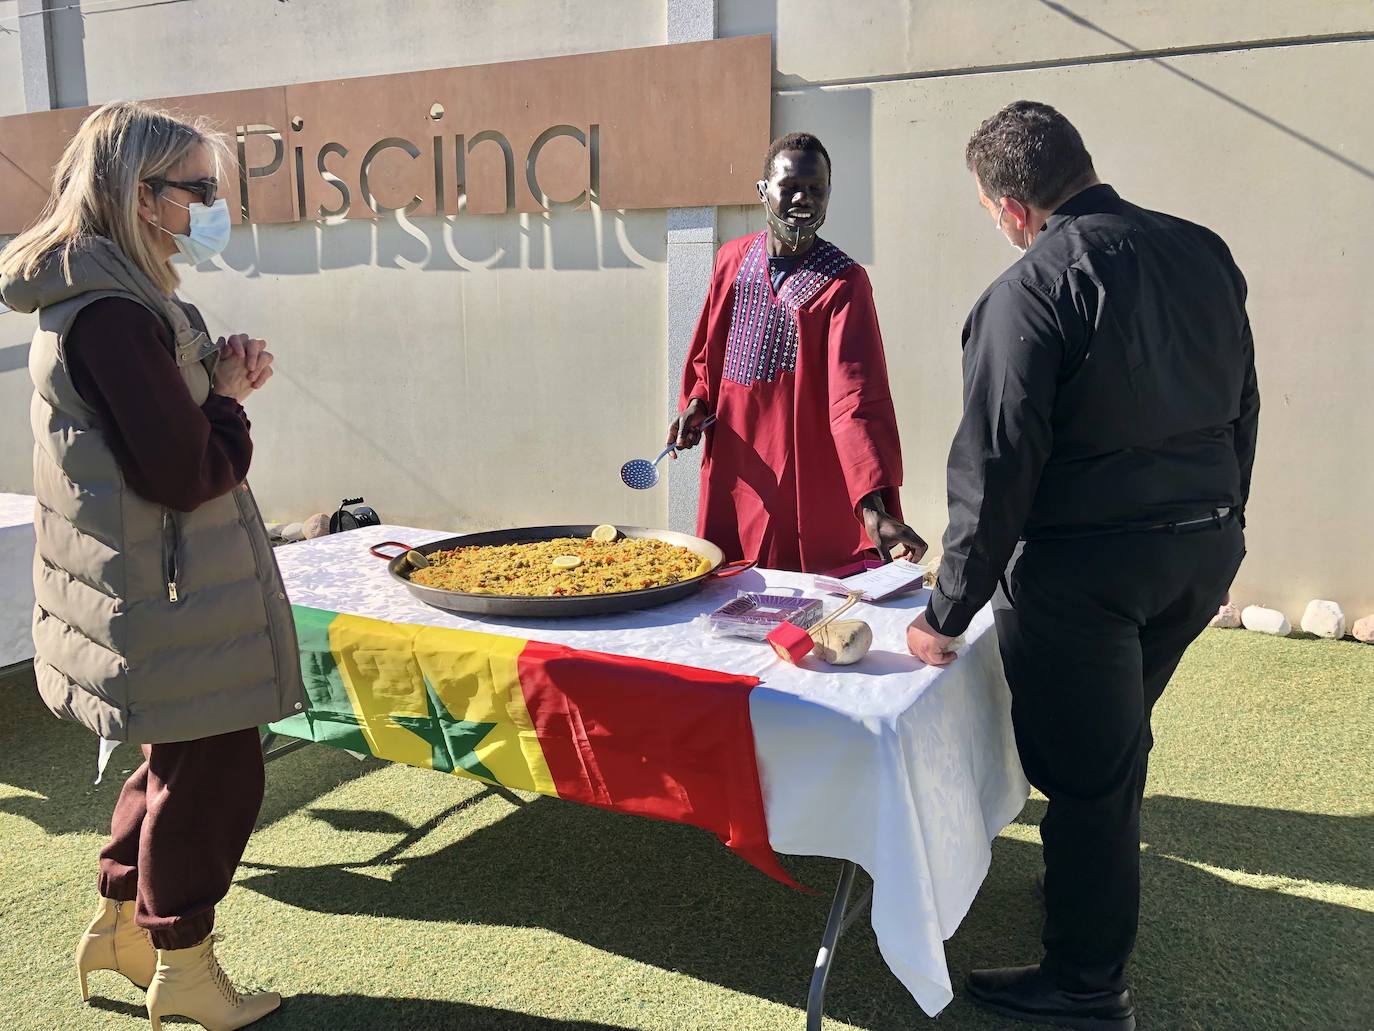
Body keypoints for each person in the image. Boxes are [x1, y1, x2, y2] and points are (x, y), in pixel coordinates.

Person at [906, 102, 1258, 1031]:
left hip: (1088, 575)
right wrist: (1227, 523)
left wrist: (944, 615)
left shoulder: (1027, 291)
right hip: (1202, 550)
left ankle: (1086, 985)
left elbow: (995, 469)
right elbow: (1243, 407)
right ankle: (1083, 901)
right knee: (1116, 742)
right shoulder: (1202, 252)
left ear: (1010, 206)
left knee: (1092, 771)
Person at [0, 102, 304, 1031]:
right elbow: (188, 472)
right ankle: (184, 964)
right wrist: (228, 399)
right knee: (213, 776)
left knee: (175, 762)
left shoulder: (115, 298)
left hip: (153, 587)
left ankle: (124, 925)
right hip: (163, 589)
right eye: (200, 191)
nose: (215, 207)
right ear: (143, 196)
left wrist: (211, 378)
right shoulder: (112, 315)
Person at [670, 132, 926, 573]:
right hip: (735, 469)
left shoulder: (844, 282)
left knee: (800, 609)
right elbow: (706, 356)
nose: (803, 199)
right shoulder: (731, 260)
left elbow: (856, 399)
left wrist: (871, 505)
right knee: (725, 594)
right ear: (762, 191)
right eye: (790, 187)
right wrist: (696, 404)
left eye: (816, 188)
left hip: (803, 472)